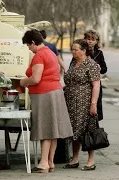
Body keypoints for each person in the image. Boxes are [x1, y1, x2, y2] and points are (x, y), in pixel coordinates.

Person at [19, 29, 73, 173]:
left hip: (44, 94)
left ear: (32, 42)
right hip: (55, 92)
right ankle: (50, 161)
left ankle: (43, 163)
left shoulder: (39, 56)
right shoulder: (50, 52)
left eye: (28, 46)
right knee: (53, 129)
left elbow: (36, 79)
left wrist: (24, 81)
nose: (28, 49)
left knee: (44, 129)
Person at [63, 39, 101, 171]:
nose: (73, 52)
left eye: (75, 49)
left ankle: (91, 160)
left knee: (87, 130)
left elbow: (96, 85)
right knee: (74, 130)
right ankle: (75, 158)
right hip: (71, 102)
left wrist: (93, 104)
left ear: (84, 51)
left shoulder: (91, 64)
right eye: (72, 49)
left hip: (84, 102)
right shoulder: (73, 62)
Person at [83, 29, 107, 121]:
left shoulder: (99, 53)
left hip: (96, 85)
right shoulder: (81, 51)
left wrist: (99, 67)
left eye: (92, 39)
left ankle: (94, 133)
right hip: (84, 86)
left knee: (94, 112)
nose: (89, 41)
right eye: (88, 38)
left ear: (96, 41)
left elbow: (104, 69)